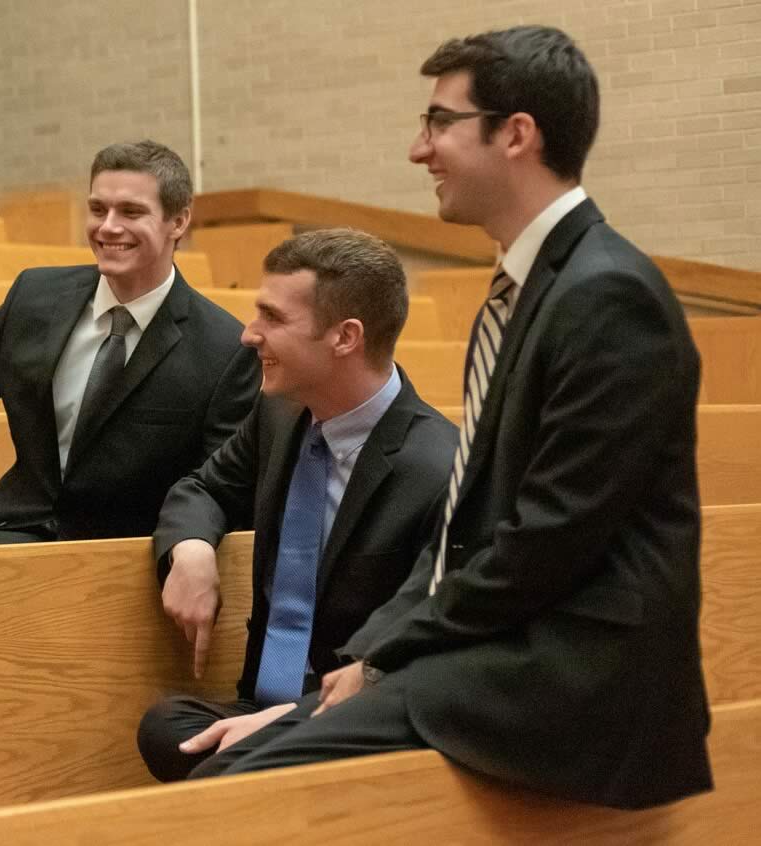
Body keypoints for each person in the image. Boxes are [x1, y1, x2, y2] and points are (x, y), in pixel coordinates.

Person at [189, 25, 712, 810]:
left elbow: (547, 539)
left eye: (438, 122)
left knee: (242, 787)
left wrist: (385, 656)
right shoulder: (534, 287)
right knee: (213, 760)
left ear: (516, 134)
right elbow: (463, 534)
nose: (417, 149)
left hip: (570, 678)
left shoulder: (607, 294)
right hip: (499, 652)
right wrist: (371, 653)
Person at [134, 229, 456, 781]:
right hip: (261, 701)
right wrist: (189, 550)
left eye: (272, 318)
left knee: (221, 774)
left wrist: (292, 719)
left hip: (354, 716)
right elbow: (204, 489)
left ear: (345, 337)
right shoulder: (280, 417)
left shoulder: (441, 467)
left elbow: (417, 659)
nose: (248, 335)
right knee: (167, 728)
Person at [0, 141, 259, 545]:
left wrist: (189, 546)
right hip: (14, 532)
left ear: (178, 222)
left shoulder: (225, 347)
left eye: (131, 212)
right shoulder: (34, 297)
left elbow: (222, 483)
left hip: (132, 552)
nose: (108, 227)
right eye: (98, 209)